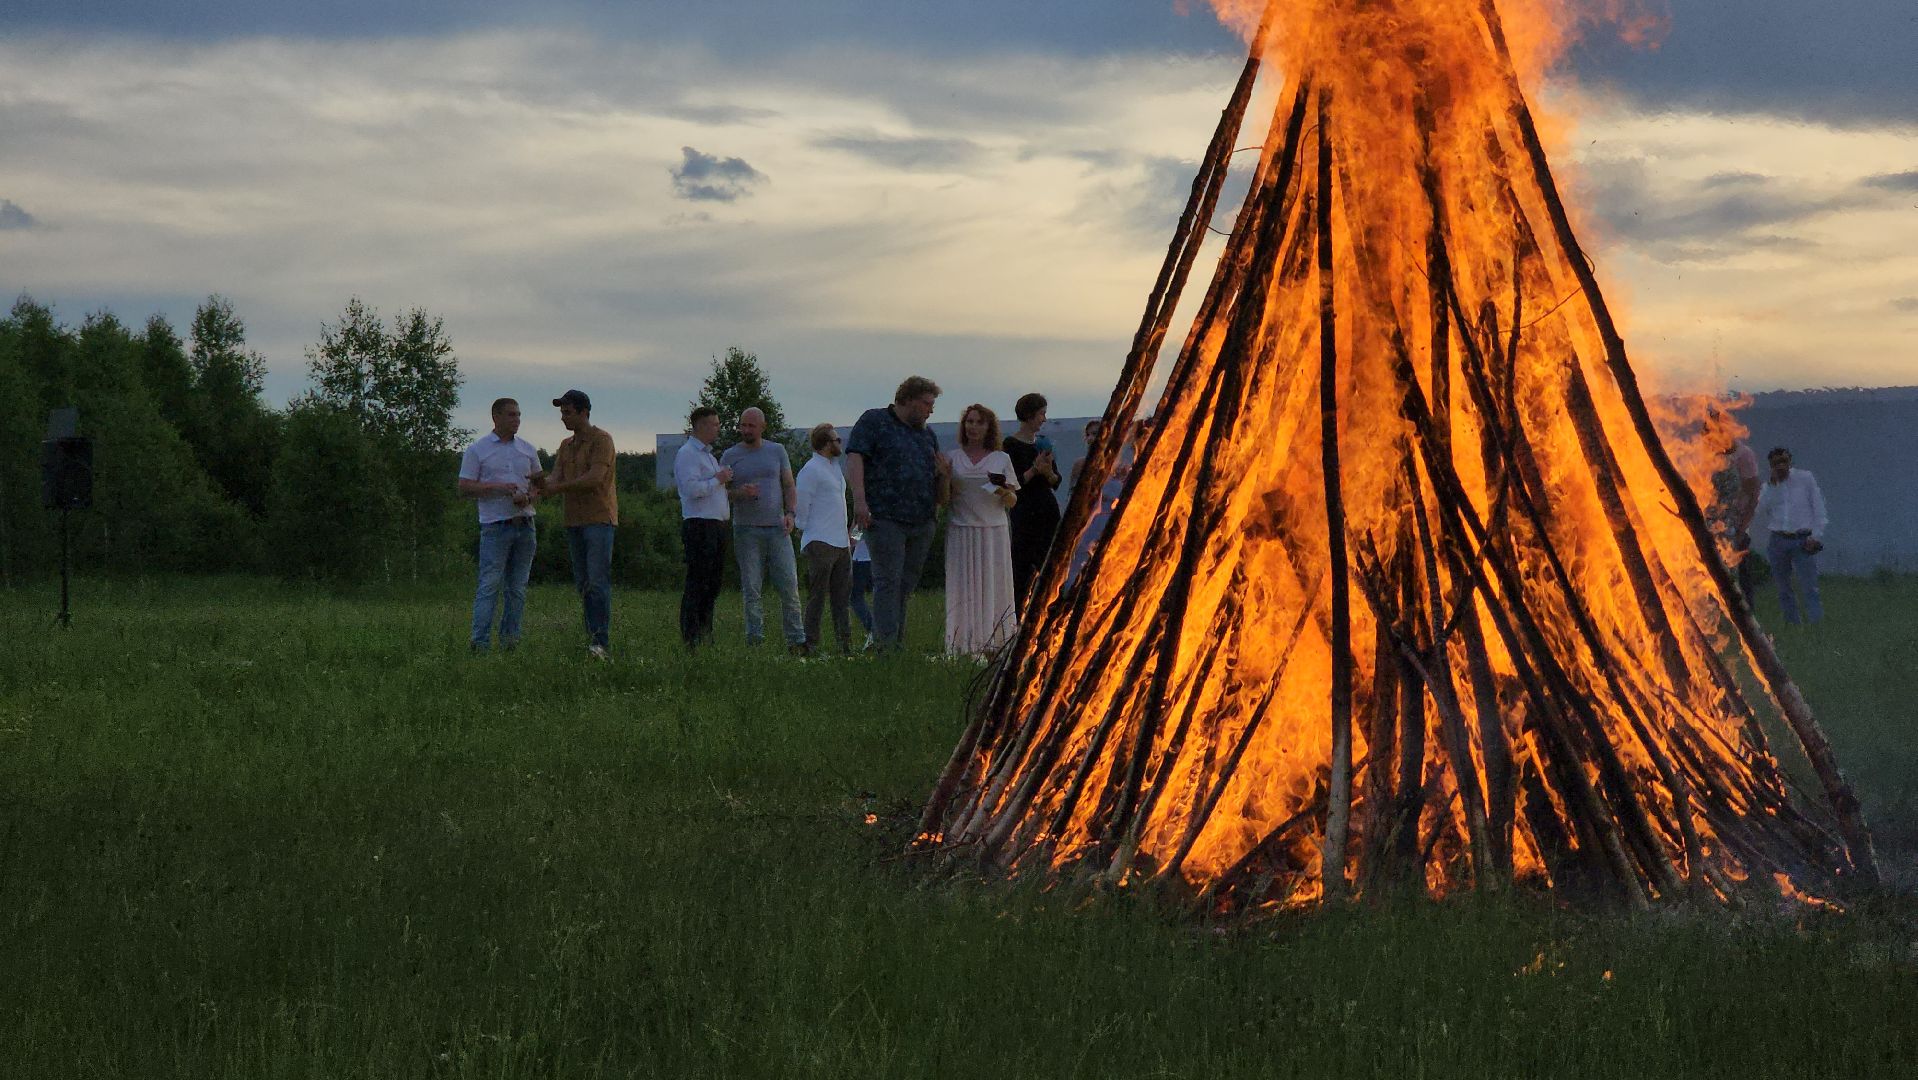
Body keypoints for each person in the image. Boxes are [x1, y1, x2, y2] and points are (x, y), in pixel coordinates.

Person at [846, 376, 947, 649]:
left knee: (905, 584)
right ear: (910, 400)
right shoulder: (875, 422)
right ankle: (885, 646)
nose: (930, 410)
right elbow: (855, 458)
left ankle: (894, 642)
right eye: (927, 403)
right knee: (887, 581)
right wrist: (860, 501)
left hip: (922, 519)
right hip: (885, 517)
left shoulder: (927, 435)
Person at [457, 397, 542, 653]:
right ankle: (479, 642)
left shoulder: (527, 449)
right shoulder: (478, 450)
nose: (516, 420)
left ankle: (510, 642)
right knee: (489, 585)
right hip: (495, 526)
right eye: (510, 415)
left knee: (517, 588)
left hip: (525, 523)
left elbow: (539, 482)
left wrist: (529, 496)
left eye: (518, 415)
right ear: (496, 417)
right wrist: (497, 488)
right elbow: (464, 487)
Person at [538, 388, 617, 659]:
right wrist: (536, 485)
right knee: (583, 583)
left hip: (598, 519)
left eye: (568, 412)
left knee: (597, 581)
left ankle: (601, 641)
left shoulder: (602, 440)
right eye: (562, 412)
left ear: (584, 412)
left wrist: (555, 489)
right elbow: (554, 477)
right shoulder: (565, 446)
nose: (563, 418)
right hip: (573, 521)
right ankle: (592, 638)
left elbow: (594, 478)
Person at [721, 407, 805, 650]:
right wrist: (739, 493)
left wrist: (791, 513)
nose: (746, 430)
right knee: (752, 588)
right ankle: (755, 641)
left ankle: (796, 640)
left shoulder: (776, 451)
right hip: (747, 530)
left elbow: (789, 485)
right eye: (743, 425)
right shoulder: (730, 455)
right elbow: (719, 493)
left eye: (751, 426)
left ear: (762, 427)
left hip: (778, 529)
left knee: (789, 585)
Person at [942, 404, 1021, 656]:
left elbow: (1012, 500)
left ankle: (996, 641)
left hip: (992, 530)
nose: (973, 427)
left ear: (989, 427)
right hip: (961, 529)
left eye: (979, 422)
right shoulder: (952, 457)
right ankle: (963, 642)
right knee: (963, 586)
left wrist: (998, 488)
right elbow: (945, 498)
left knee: (994, 584)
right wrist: (943, 476)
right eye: (970, 422)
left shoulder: (1001, 459)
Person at [674, 406, 733, 648]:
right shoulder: (688, 454)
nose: (718, 429)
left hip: (716, 525)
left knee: (712, 582)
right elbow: (691, 490)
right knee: (698, 581)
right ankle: (692, 636)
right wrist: (717, 479)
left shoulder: (709, 456)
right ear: (700, 426)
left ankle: (705, 632)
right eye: (714, 424)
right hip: (700, 525)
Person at [795, 422, 854, 654]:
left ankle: (845, 644)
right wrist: (804, 531)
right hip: (820, 540)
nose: (840, 443)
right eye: (836, 440)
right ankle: (810, 643)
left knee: (842, 597)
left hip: (841, 541)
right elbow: (802, 505)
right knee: (817, 595)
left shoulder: (834, 469)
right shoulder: (811, 470)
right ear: (825, 444)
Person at [1754, 445, 1828, 625]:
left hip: (1803, 539)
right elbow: (1760, 509)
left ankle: (1816, 624)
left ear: (1790, 462)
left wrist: (1816, 536)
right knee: (1783, 588)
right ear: (1771, 466)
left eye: (1783, 462)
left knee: (1809, 586)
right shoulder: (1769, 487)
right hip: (1778, 540)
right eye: (1775, 463)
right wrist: (1772, 487)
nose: (1780, 466)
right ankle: (1792, 623)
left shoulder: (1805, 479)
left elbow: (1818, 508)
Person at [1003, 392, 1062, 613]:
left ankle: (1052, 614)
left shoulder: (1044, 444)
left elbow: (1056, 480)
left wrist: (1047, 472)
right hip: (1025, 513)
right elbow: (1013, 482)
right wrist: (1034, 470)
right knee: (1022, 568)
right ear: (1029, 415)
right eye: (1041, 414)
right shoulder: (1011, 445)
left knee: (1050, 565)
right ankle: (1017, 617)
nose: (1044, 419)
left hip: (1046, 510)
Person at [1716, 435, 1762, 610]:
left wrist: (1742, 528)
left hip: (1735, 525)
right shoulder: (1711, 457)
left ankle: (1745, 614)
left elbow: (1753, 492)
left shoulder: (1743, 456)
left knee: (1740, 573)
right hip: (1716, 525)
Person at [849, 531, 875, 648]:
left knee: (855, 597)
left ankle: (873, 629)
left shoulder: (863, 515)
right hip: (877, 558)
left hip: (862, 559)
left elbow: (853, 539)